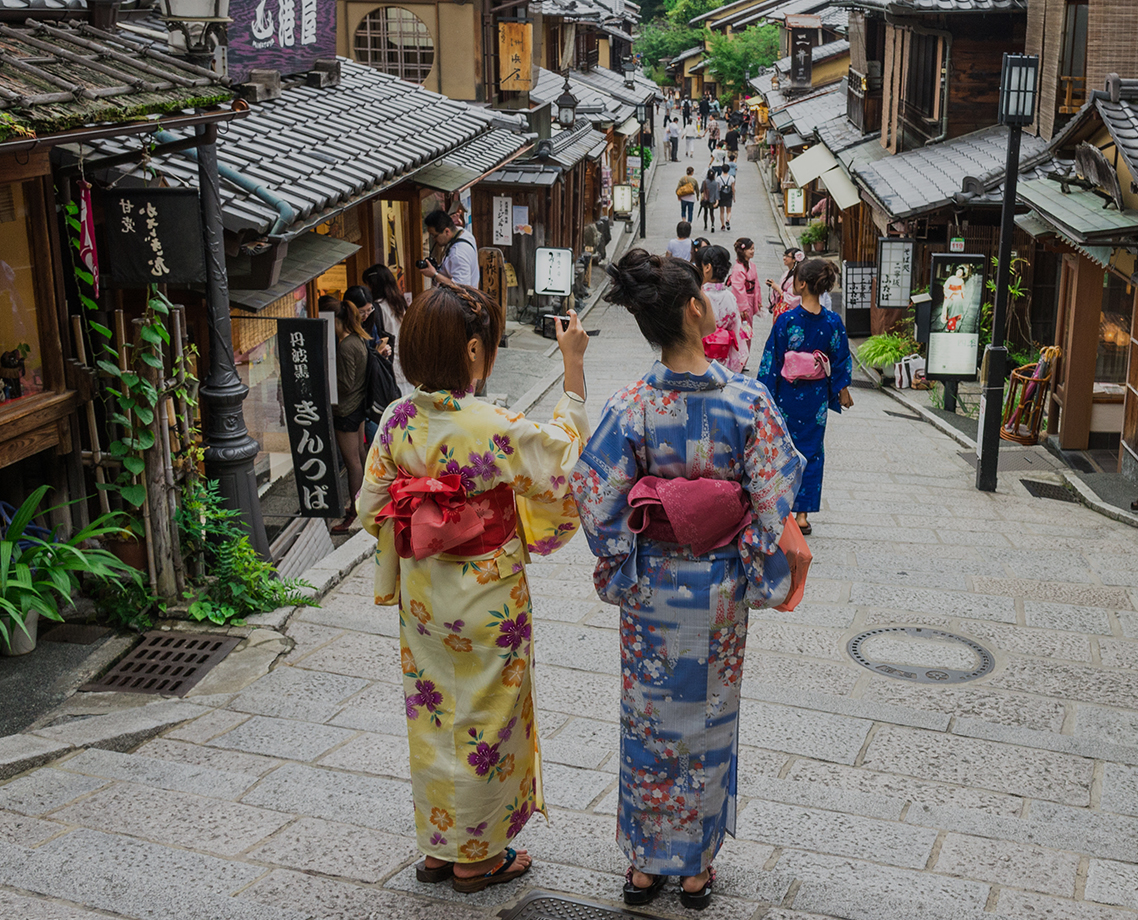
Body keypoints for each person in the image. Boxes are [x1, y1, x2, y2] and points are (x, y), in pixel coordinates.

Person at [569, 248, 803, 912]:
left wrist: (622, 556)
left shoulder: (631, 406)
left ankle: (646, 864)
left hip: (651, 592)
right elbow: (775, 495)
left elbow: (595, 493)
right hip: (721, 589)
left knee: (648, 721)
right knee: (706, 719)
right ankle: (695, 866)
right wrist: (747, 551)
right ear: (696, 309)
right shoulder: (747, 402)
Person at [357, 286, 589, 895]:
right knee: (490, 712)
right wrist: (573, 365)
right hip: (490, 596)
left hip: (425, 595)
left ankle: (440, 846)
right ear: (471, 350)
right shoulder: (494, 424)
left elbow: (369, 506)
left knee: (432, 713)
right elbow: (564, 460)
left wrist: (425, 516)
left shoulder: (396, 422)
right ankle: (478, 857)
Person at [757, 259, 852, 535]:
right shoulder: (833, 322)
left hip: (786, 396)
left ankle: (782, 509)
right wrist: (841, 388)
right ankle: (802, 516)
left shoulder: (787, 319)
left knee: (783, 450)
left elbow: (771, 361)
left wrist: (764, 396)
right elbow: (841, 359)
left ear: (800, 284)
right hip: (816, 399)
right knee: (812, 452)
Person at [321, 293, 375, 530]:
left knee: (352, 461)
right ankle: (366, 502)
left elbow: (345, 384)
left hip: (346, 409)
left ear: (336, 321)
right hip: (360, 405)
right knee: (361, 455)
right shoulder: (359, 338)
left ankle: (354, 512)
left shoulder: (344, 346)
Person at [347, 284, 398, 446]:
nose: (366, 315)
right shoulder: (346, 331)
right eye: (362, 311)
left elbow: (373, 348)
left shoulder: (371, 323)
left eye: (369, 310)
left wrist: (381, 352)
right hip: (358, 392)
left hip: (370, 387)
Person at [697, 244, 748, 374]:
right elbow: (736, 332)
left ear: (707, 268)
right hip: (724, 365)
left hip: (699, 362)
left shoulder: (698, 298)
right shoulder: (730, 297)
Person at [365, 264, 413, 394]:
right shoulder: (400, 304)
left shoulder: (377, 308)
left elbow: (379, 340)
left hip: (390, 368)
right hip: (406, 365)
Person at [420, 210, 477, 294]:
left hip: (458, 305)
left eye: (435, 235)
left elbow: (461, 289)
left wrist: (434, 274)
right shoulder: (464, 233)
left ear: (447, 231)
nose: (434, 239)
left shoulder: (458, 254)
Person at [727, 238, 761, 342]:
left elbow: (757, 284)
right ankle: (741, 357)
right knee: (741, 332)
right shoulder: (738, 268)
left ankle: (745, 356)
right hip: (744, 302)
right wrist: (742, 307)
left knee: (747, 330)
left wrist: (758, 300)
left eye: (753, 248)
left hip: (750, 299)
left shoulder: (752, 265)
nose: (753, 251)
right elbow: (738, 288)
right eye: (750, 249)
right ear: (743, 251)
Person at [716, 165, 735, 232]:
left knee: (721, 211)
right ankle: (728, 219)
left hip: (722, 195)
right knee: (729, 211)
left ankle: (722, 225)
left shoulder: (718, 178)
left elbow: (718, 188)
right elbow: (733, 188)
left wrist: (717, 198)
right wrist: (734, 196)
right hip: (729, 195)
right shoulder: (731, 178)